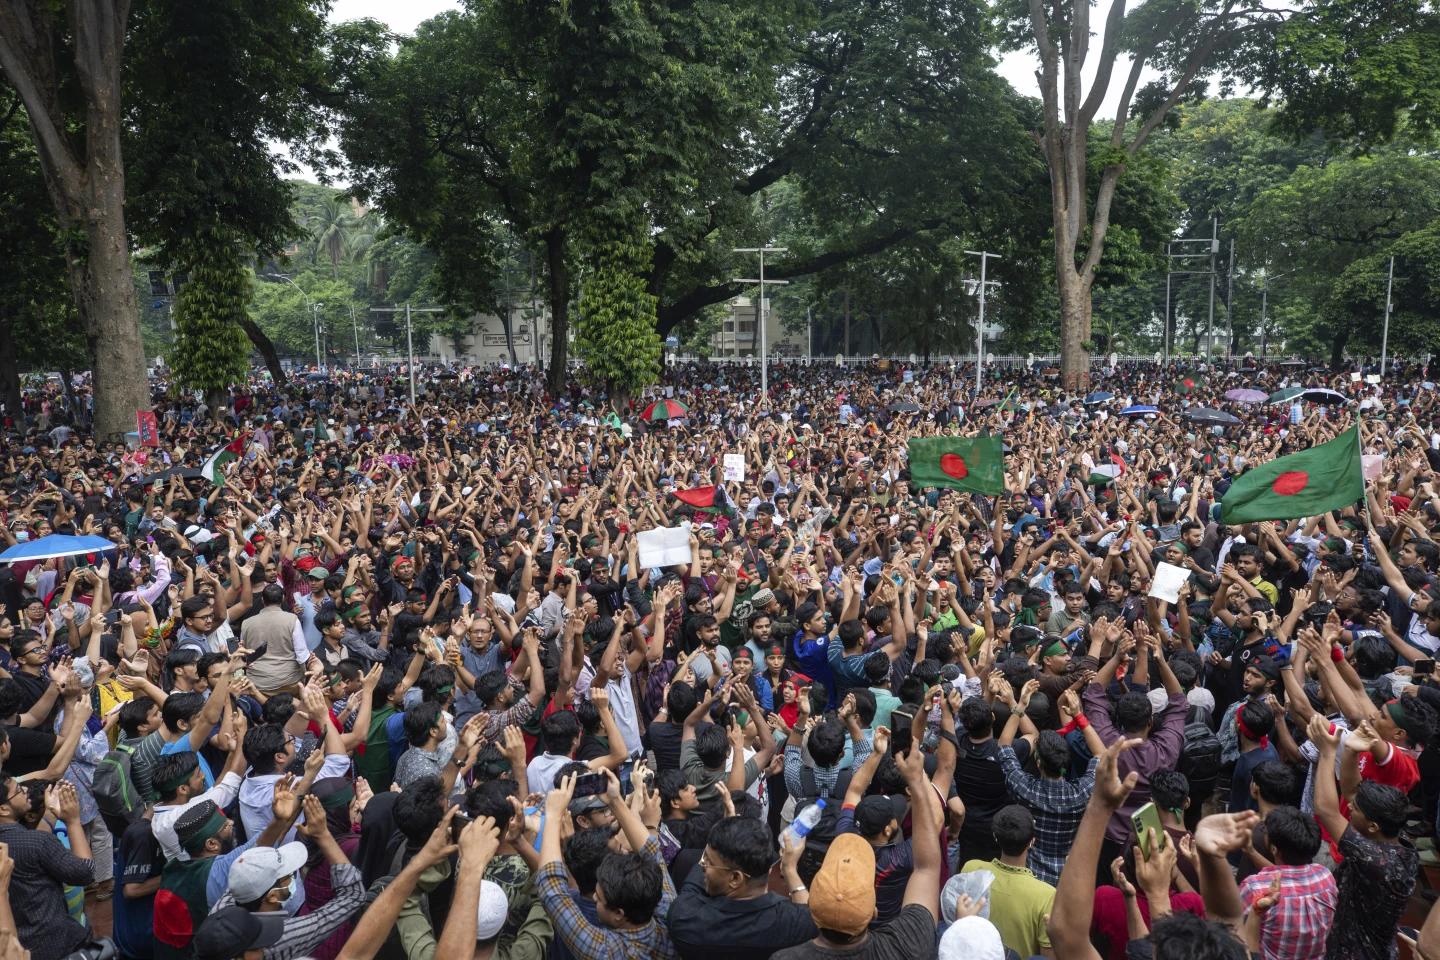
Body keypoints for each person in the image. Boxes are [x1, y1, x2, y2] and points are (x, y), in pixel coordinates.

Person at [772, 744, 939, 959]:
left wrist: (790, 868)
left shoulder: (784, 957)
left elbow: (854, 791)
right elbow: (927, 866)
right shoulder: (905, 947)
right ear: (873, 913)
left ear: (813, 910)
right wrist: (917, 780)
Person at [666, 815, 818, 959]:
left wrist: (723, 836)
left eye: (709, 862)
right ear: (769, 870)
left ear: (735, 878)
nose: (703, 865)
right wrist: (790, 869)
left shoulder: (685, 919)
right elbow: (813, 917)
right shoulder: (790, 923)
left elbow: (693, 886)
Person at [0, 778, 93, 960]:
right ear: (3, 809)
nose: (26, 791)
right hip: (59, 944)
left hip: (17, 948)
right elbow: (85, 872)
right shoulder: (38, 842)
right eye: (19, 790)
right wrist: (72, 820)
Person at [959, 805, 1054, 959]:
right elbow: (1048, 957)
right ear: (1032, 842)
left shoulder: (972, 869)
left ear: (996, 837)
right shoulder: (1047, 895)